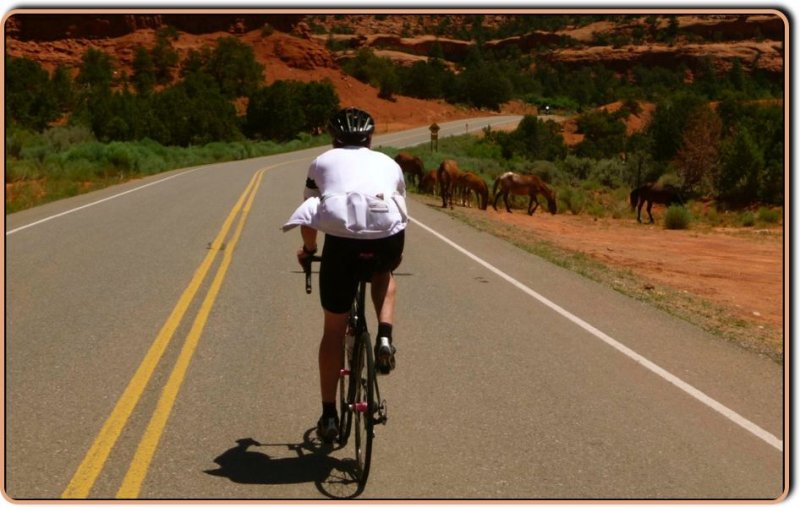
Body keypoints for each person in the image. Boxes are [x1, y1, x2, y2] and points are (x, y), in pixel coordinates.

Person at [282, 107, 408, 443]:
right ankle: (383, 337)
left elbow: (310, 217)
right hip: (387, 239)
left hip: (341, 247)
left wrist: (308, 252)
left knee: (333, 331)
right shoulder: (390, 164)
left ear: (333, 138)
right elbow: (398, 208)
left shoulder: (321, 162)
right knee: (384, 275)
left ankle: (329, 416)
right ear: (370, 138)